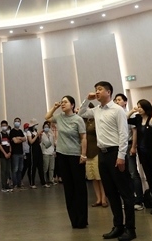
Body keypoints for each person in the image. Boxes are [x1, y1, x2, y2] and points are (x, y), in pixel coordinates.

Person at [80, 82, 136, 241]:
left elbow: (123, 134)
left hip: (115, 153)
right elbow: (81, 113)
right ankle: (118, 226)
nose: (96, 92)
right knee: (111, 192)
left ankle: (130, 229)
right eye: (95, 90)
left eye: (100, 89)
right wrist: (87, 98)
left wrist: (121, 156)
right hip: (102, 154)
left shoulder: (117, 110)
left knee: (125, 192)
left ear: (109, 92)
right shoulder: (96, 110)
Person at [45, 96, 88, 229]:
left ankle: (82, 219)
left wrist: (83, 154)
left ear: (72, 105)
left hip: (75, 156)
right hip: (62, 155)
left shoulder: (78, 119)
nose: (63, 104)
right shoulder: (59, 117)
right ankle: (74, 219)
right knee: (68, 188)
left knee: (79, 187)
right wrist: (55, 107)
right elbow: (47, 117)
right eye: (62, 102)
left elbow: (83, 138)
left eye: (65, 102)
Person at [115, 93, 145, 210]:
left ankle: (139, 200)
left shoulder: (129, 114)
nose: (117, 102)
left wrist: (133, 146)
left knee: (133, 173)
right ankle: (129, 199)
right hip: (119, 146)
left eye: (119, 100)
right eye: (116, 100)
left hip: (129, 144)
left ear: (125, 102)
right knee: (124, 174)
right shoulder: (116, 114)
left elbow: (134, 131)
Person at [83, 113, 108, 207]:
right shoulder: (84, 121)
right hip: (87, 152)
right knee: (92, 177)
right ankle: (98, 198)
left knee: (100, 177)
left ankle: (104, 198)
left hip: (96, 151)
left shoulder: (96, 120)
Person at [28, 119, 46, 188]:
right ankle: (32, 183)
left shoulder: (35, 131)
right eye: (35, 125)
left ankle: (43, 182)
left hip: (38, 149)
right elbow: (31, 141)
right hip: (33, 150)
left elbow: (39, 141)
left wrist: (40, 136)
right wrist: (36, 135)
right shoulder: (29, 132)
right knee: (33, 166)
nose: (36, 126)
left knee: (40, 166)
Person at [10, 117, 26, 189]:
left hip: (21, 152)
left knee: (20, 169)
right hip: (15, 153)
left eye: (18, 121)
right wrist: (20, 139)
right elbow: (15, 141)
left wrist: (19, 138)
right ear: (14, 123)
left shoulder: (20, 131)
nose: (17, 122)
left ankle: (19, 183)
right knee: (15, 169)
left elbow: (25, 139)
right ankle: (15, 184)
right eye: (16, 121)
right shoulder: (12, 131)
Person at [0, 120, 13, 192]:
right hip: (3, 155)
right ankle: (3, 186)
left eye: (5, 125)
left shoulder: (8, 135)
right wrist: (5, 153)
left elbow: (10, 144)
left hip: (8, 155)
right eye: (2, 125)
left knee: (8, 170)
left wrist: (9, 152)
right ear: (1, 126)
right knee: (3, 170)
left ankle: (7, 184)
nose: (4, 127)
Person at [41, 121, 56, 186]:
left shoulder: (51, 135)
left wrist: (54, 150)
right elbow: (47, 144)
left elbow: (53, 143)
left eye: (47, 127)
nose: (46, 128)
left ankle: (51, 180)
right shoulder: (42, 135)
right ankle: (44, 181)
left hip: (52, 153)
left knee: (51, 168)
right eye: (45, 127)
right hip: (45, 153)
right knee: (45, 168)